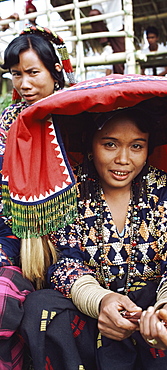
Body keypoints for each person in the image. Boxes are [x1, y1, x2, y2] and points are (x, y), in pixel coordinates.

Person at [2, 74, 167, 369]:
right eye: (110, 144)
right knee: (41, 308)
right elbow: (66, 264)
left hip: (152, 308)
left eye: (136, 146)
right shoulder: (73, 190)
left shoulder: (163, 187)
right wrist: (101, 301)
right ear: (90, 145)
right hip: (93, 313)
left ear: (148, 148)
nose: (124, 159)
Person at [0, 25, 75, 370]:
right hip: (14, 229)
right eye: (16, 74)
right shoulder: (6, 122)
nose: (24, 84)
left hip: (71, 232)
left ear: (55, 71)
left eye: (33, 73)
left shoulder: (77, 115)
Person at [89, 0, 125, 74]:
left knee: (119, 60)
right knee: (93, 14)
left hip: (117, 25)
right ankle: (106, 45)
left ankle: (119, 81)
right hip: (103, 28)